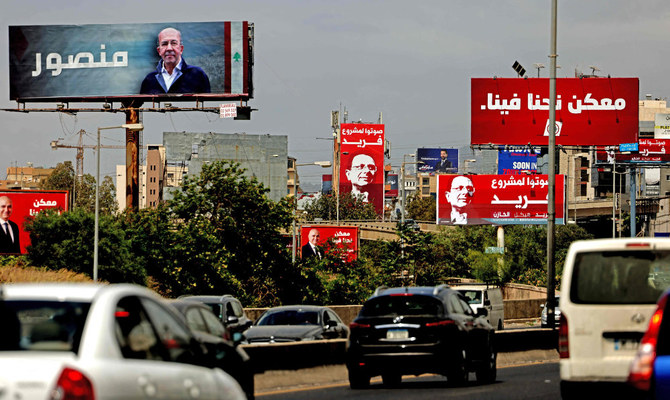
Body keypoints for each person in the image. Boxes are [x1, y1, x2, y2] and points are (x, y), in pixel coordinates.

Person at [140, 27, 211, 94]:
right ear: (159, 51)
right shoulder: (149, 80)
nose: (169, 48)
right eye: (164, 44)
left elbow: (208, 104)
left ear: (181, 49)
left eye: (173, 43)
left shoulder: (197, 75)